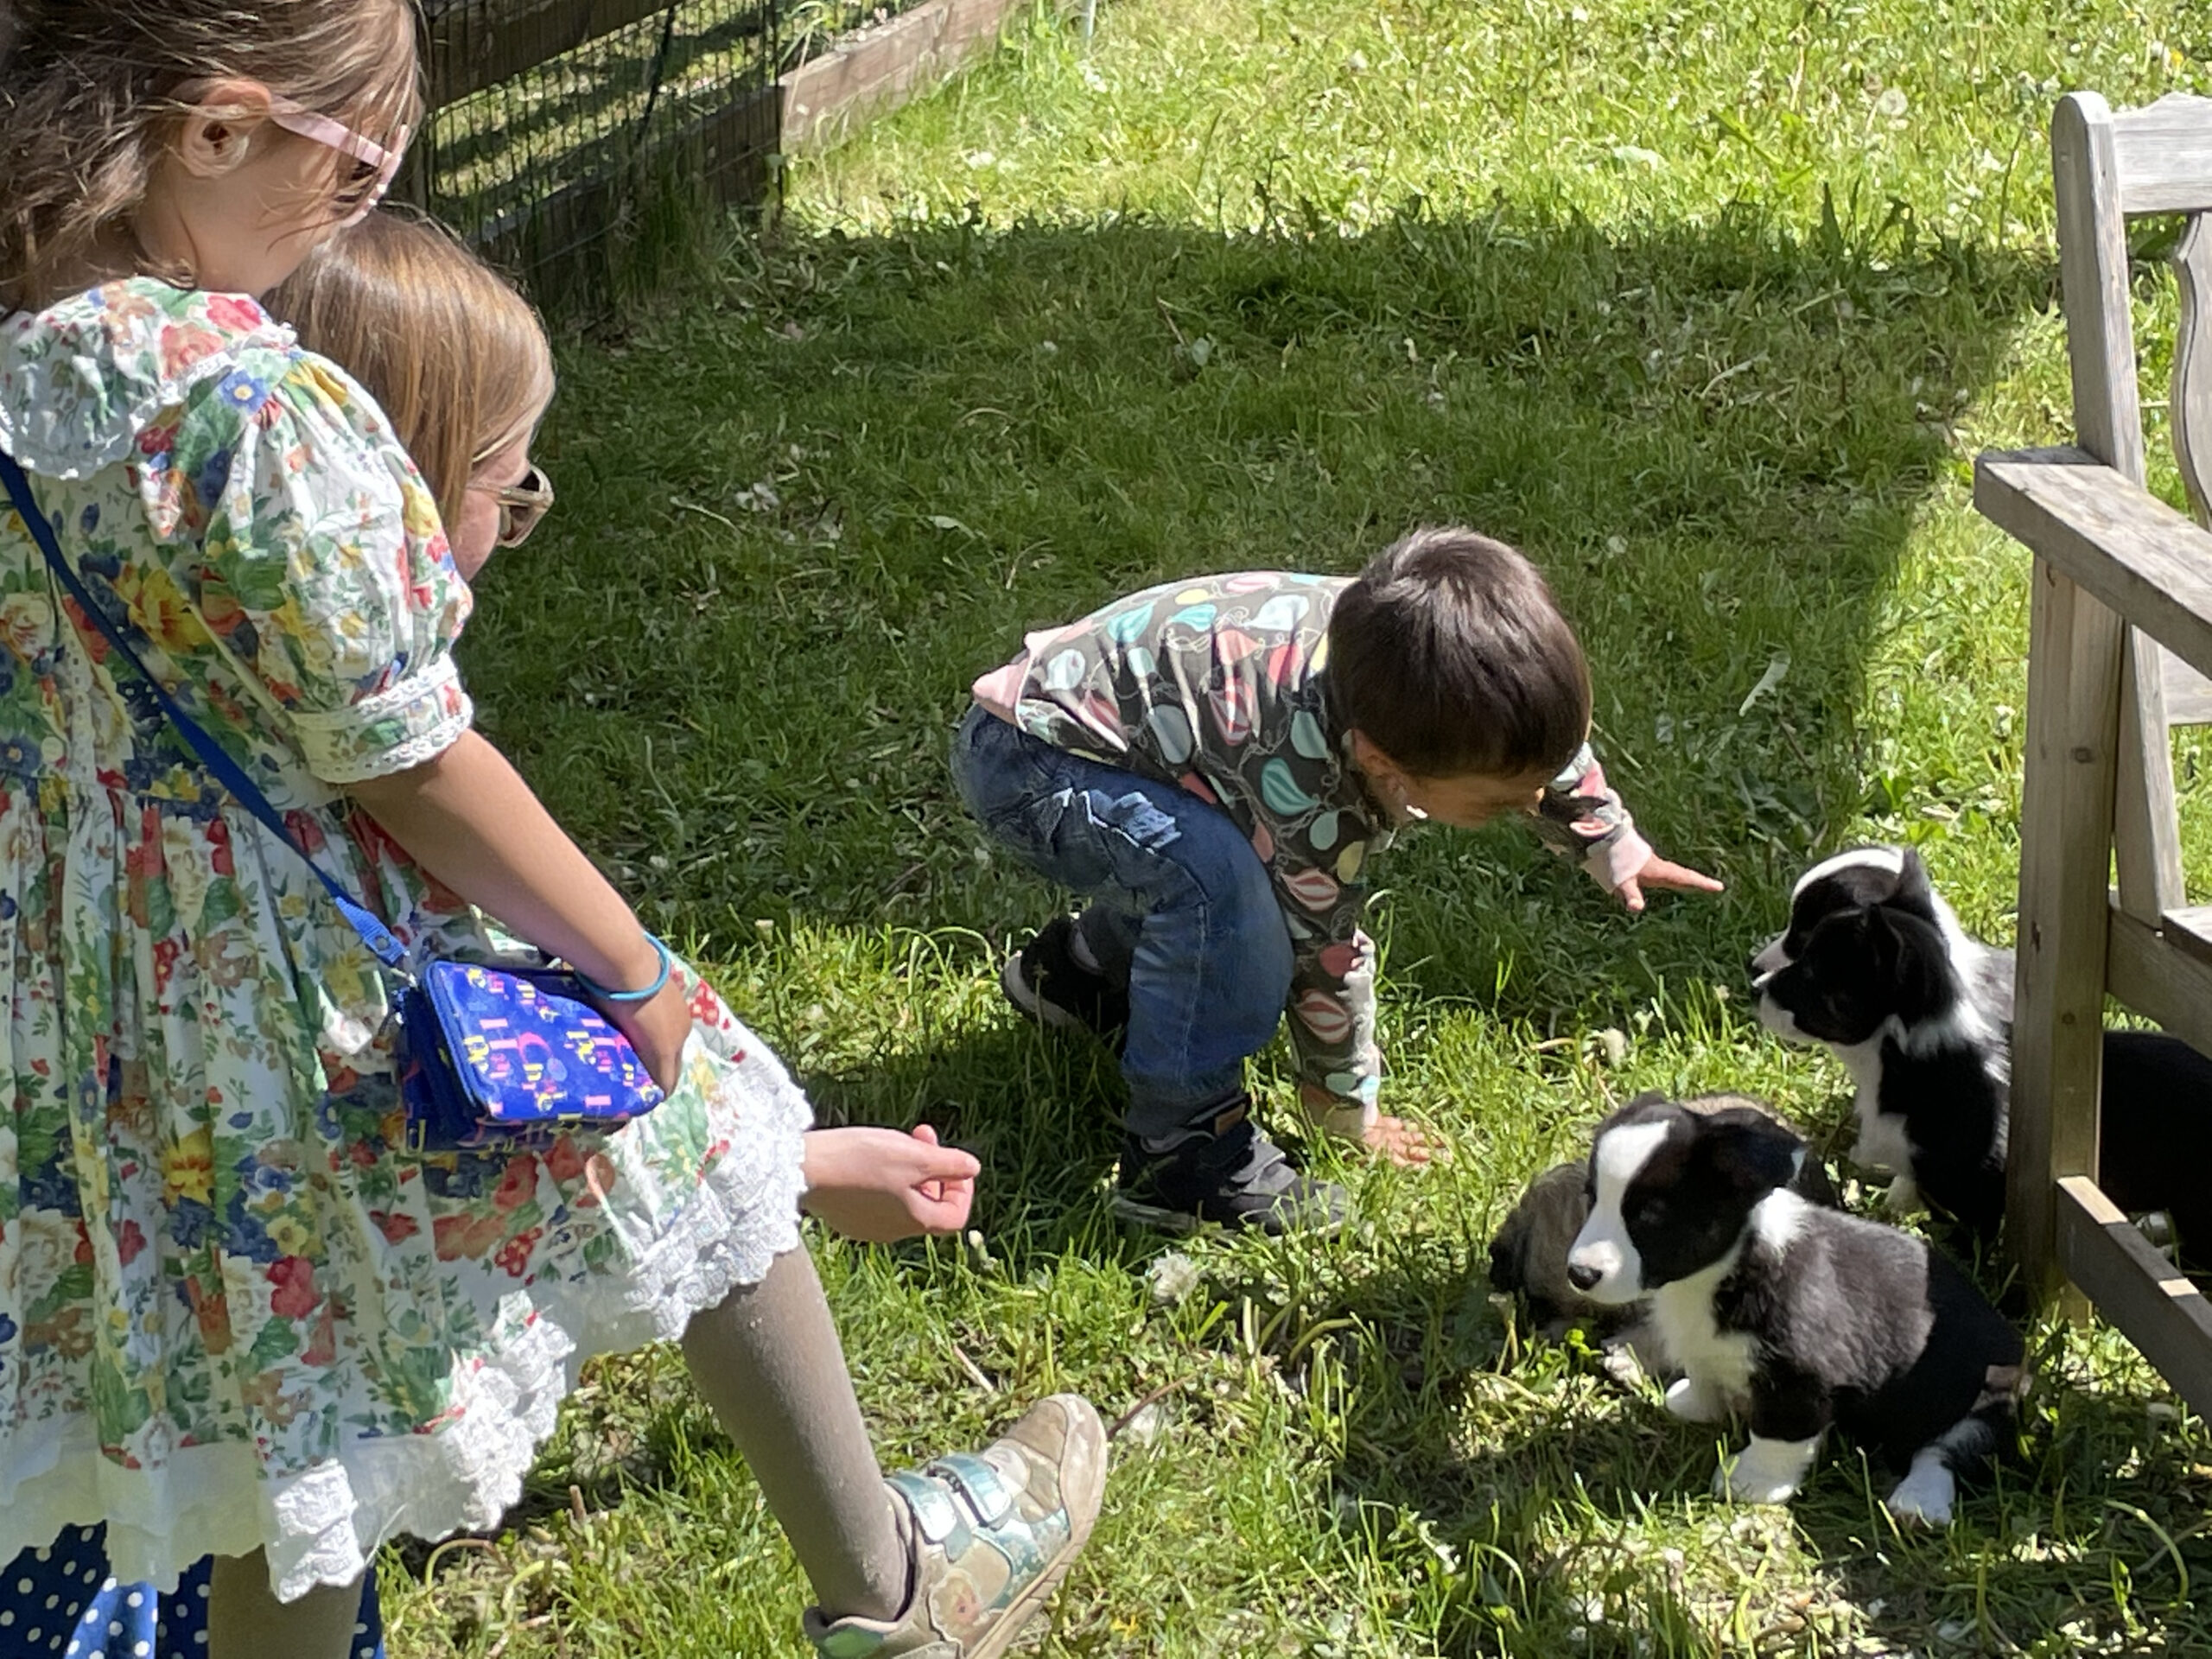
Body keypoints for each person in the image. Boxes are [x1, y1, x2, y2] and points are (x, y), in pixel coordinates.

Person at [0, 10, 1103, 1658]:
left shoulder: (29, 369)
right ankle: (899, 1594)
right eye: (357, 159)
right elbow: (407, 757)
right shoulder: (247, 404)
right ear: (217, 134)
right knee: (701, 1123)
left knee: (276, 1400)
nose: (366, 206)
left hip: (120, 1006)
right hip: (323, 975)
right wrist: (632, 961)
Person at [952, 531, 1724, 1235]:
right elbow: (1320, 955)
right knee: (1227, 903)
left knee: (1214, 857)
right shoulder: (1313, 783)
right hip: (1032, 769)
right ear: (1385, 767)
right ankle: (1181, 1153)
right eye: (1496, 801)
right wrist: (1341, 1103)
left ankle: (1081, 978)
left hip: (1097, 732)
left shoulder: (1401, 655)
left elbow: (1537, 743)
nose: (1527, 804)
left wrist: (1607, 836)